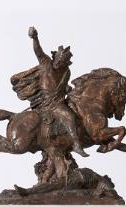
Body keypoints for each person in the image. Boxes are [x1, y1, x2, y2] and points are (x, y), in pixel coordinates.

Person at [10, 27, 88, 157]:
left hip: (59, 101)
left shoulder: (66, 72)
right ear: (55, 57)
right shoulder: (46, 63)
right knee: (68, 116)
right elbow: (38, 51)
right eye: (58, 60)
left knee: (78, 113)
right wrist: (35, 38)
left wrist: (67, 89)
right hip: (47, 104)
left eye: (62, 62)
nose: (59, 63)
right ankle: (76, 144)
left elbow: (62, 87)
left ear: (66, 63)